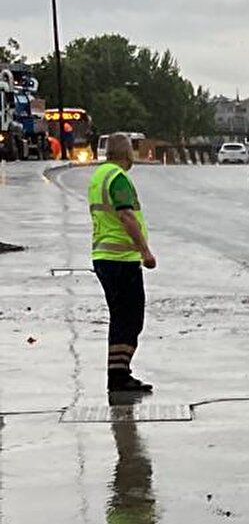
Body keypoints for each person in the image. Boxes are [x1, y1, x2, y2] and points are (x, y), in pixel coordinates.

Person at [89, 131, 157, 401]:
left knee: (121, 317)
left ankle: (119, 373)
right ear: (126, 153)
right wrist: (145, 251)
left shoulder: (99, 175)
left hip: (105, 256)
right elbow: (126, 216)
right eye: (131, 150)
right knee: (130, 318)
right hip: (120, 260)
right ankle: (118, 377)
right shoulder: (118, 178)